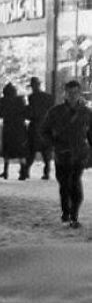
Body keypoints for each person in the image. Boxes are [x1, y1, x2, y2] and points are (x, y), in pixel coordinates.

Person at [40, 80, 92, 229]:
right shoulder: (55, 112)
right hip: (62, 155)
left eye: (75, 93)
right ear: (65, 93)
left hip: (79, 155)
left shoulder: (86, 113)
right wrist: (54, 143)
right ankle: (65, 212)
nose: (72, 96)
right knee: (64, 185)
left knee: (75, 185)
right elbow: (44, 131)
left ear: (80, 93)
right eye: (69, 93)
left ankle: (74, 215)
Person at [23, 76, 53, 180]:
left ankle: (26, 171)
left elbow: (31, 112)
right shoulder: (49, 97)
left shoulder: (32, 97)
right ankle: (46, 172)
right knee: (46, 151)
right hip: (45, 126)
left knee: (31, 150)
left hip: (35, 125)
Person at [0, 82, 28, 179]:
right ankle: (23, 172)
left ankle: (6, 172)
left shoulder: (3, 101)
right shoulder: (20, 100)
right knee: (21, 151)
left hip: (8, 128)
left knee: (7, 150)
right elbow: (25, 112)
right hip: (20, 128)